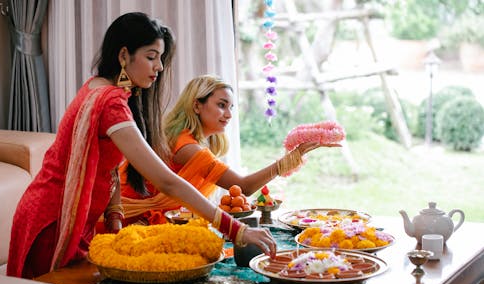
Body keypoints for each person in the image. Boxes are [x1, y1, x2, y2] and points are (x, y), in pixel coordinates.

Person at [6, 13, 276, 283]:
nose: (159, 67)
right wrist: (237, 230)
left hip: (68, 217)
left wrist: (114, 220)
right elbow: (167, 182)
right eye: (151, 56)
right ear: (124, 56)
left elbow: (107, 165)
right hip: (52, 221)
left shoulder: (100, 88)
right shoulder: (110, 102)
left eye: (160, 58)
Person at [119, 74, 340, 225]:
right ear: (197, 105)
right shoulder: (187, 147)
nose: (229, 114)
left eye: (231, 107)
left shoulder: (187, 139)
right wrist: (288, 160)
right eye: (221, 105)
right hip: (135, 223)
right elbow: (242, 187)